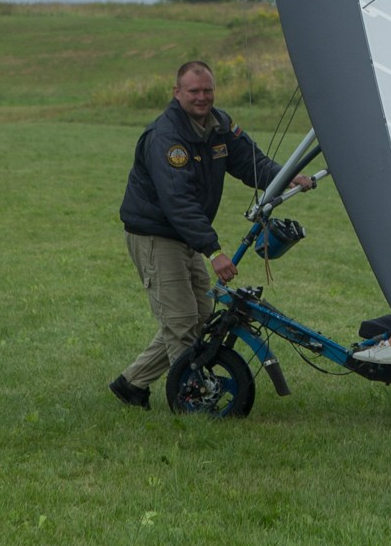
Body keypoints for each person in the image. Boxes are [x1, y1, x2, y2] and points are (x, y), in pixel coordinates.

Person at [111, 60, 315, 408]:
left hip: (185, 234)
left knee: (200, 318)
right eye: (194, 91)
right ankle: (193, 398)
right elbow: (178, 201)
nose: (202, 97)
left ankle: (132, 384)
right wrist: (214, 251)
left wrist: (286, 176)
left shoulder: (220, 125)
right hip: (157, 235)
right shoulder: (167, 138)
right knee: (180, 322)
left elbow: (251, 161)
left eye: (207, 90)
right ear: (177, 93)